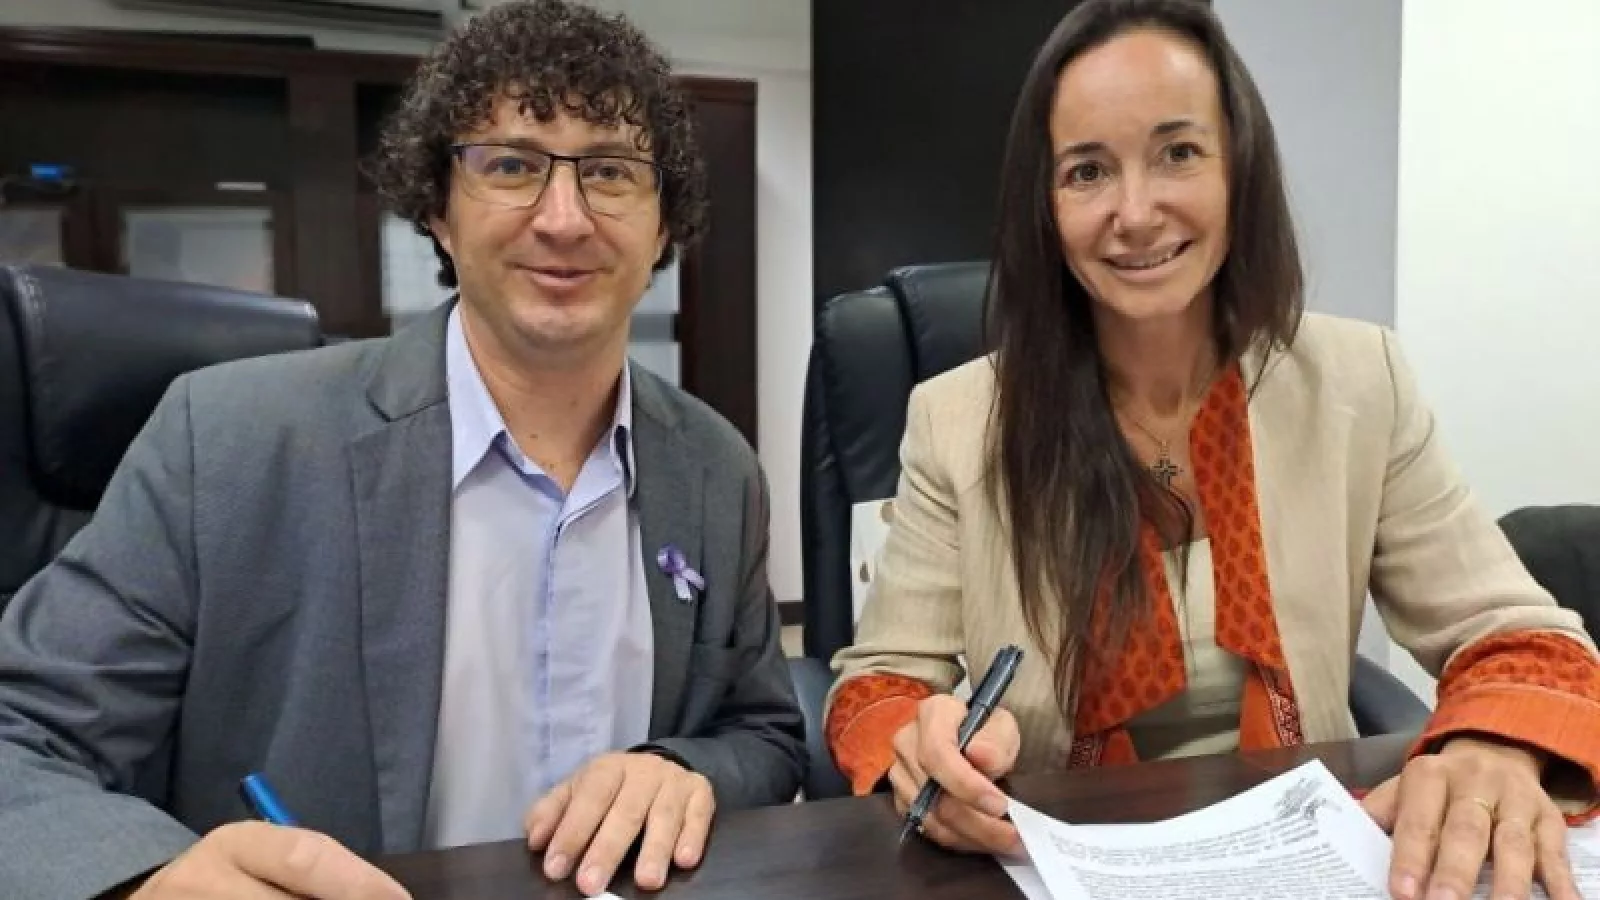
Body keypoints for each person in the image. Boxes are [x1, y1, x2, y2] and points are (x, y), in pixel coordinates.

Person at [0, 2, 804, 898]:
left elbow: (764, 733)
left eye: (610, 171)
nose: (564, 218)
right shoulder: (228, 441)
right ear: (438, 211)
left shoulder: (716, 468)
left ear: (663, 226)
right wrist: (149, 880)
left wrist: (684, 770)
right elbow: (19, 734)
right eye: (511, 165)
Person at [825, 3, 1600, 900]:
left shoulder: (1360, 381)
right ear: (1046, 205)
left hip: (1303, 858)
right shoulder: (958, 419)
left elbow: (1519, 637)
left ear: (1240, 169)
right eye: (1087, 171)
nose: (1135, 213)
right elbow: (879, 682)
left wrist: (1491, 744)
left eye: (1179, 153)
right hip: (1053, 859)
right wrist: (919, 747)